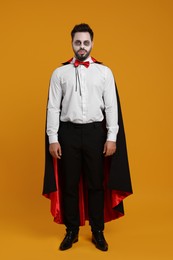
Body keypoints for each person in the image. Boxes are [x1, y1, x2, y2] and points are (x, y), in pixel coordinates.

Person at [43, 23, 132, 252]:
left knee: (95, 184)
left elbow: (111, 106)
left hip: (95, 133)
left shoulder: (104, 72)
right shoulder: (59, 73)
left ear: (92, 43)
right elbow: (53, 108)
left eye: (85, 42)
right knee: (69, 184)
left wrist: (111, 137)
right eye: (77, 42)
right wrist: (53, 138)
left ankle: (98, 232)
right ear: (71, 43)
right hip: (68, 133)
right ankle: (71, 231)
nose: (81, 46)